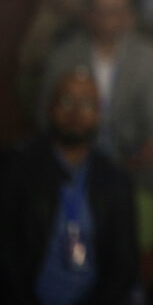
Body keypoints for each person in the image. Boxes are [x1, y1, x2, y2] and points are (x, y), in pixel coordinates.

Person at [38, 0, 153, 302]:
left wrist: (152, 143)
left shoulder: (145, 54)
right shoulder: (63, 55)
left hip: (130, 155)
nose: (107, 20)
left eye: (115, 12)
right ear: (88, 15)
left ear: (128, 16)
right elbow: (45, 117)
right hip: (79, 157)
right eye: (100, 11)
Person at [0, 67, 138, 305]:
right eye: (66, 101)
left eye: (86, 104)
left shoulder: (117, 181)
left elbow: (124, 266)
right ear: (50, 108)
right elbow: (6, 256)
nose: (75, 112)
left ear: (99, 115)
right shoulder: (15, 168)